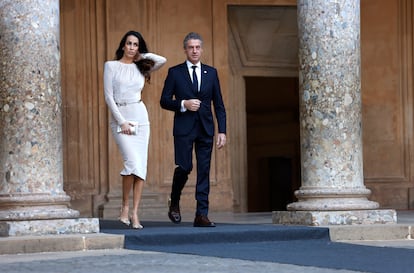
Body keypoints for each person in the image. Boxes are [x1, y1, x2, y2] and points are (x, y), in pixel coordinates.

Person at [160, 32, 226, 227]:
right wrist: (183, 104)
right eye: (191, 47)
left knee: (204, 171)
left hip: (206, 128)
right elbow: (164, 101)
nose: (194, 51)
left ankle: (201, 214)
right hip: (184, 128)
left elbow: (219, 104)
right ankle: (175, 201)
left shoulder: (211, 73)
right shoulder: (175, 72)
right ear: (185, 50)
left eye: (197, 47)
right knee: (185, 167)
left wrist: (222, 131)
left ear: (202, 49)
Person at [104, 30, 166, 229]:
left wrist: (142, 56)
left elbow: (162, 60)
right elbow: (108, 97)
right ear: (123, 45)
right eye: (129, 43)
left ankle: (134, 213)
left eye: (135, 44)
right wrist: (121, 121)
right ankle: (124, 206)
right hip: (120, 118)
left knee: (140, 167)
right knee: (131, 161)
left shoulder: (142, 67)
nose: (131, 47)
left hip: (140, 116)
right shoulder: (111, 66)